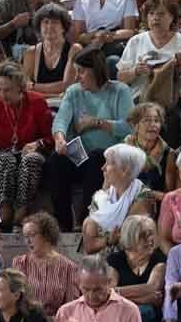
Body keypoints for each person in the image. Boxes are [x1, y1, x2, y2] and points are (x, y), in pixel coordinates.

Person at [50, 48, 135, 230]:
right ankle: (62, 223)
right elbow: (61, 119)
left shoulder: (120, 90)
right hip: (79, 155)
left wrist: (96, 122)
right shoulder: (74, 91)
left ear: (95, 70)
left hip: (108, 158)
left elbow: (129, 126)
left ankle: (86, 219)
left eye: (81, 71)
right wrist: (60, 138)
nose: (77, 77)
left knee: (97, 156)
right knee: (56, 160)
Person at [0, 61, 55, 230]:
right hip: (0, 155)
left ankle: (21, 210)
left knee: (31, 159)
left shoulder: (37, 102)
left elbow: (51, 137)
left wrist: (38, 143)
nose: (2, 95)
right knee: (5, 160)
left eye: (7, 90)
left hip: (32, 151)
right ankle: (4, 210)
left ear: (20, 87)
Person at [82, 143, 157, 254]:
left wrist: (104, 240)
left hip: (130, 259)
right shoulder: (101, 197)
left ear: (124, 170)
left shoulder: (144, 196)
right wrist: (109, 240)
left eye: (108, 163)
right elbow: (89, 246)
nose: (103, 168)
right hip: (100, 260)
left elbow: (128, 237)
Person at [105, 216, 166, 322]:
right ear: (130, 237)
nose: (150, 239)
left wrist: (118, 293)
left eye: (151, 234)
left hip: (150, 320)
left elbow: (152, 288)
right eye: (143, 236)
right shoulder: (115, 259)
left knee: (144, 311)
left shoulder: (159, 259)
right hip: (120, 313)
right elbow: (108, 291)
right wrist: (145, 299)